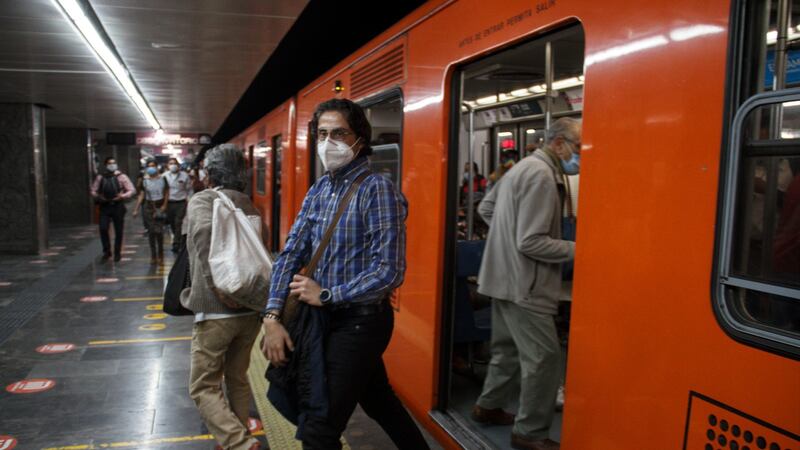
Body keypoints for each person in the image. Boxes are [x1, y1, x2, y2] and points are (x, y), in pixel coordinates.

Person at [262, 98, 430, 450]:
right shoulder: (321, 188)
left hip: (360, 322)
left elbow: (389, 270)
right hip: (323, 321)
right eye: (322, 133)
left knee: (319, 429)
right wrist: (272, 315)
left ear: (359, 138)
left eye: (339, 133)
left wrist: (327, 295)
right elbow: (291, 252)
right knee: (379, 400)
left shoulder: (376, 190)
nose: (329, 142)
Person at [471, 117, 580, 450]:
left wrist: (506, 235)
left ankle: (487, 407)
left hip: (500, 277)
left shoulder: (522, 167)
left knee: (506, 350)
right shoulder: (543, 176)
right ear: (559, 143)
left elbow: (487, 207)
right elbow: (531, 242)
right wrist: (583, 249)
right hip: (525, 284)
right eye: (577, 147)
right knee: (544, 358)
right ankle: (529, 432)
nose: (579, 155)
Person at [179, 144, 263, 450]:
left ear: (210, 172)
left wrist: (220, 290)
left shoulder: (203, 200)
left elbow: (202, 238)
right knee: (237, 377)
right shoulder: (248, 203)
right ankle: (238, 435)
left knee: (202, 386)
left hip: (217, 311)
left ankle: (239, 443)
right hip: (249, 311)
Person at [90, 157, 136, 261]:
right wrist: (98, 196)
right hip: (105, 206)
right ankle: (107, 251)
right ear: (106, 165)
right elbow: (93, 190)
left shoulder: (122, 176)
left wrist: (123, 196)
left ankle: (117, 252)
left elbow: (132, 190)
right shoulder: (100, 177)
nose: (112, 165)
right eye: (110, 163)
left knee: (119, 230)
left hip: (118, 206)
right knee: (103, 228)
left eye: (114, 163)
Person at [133, 160, 169, 264]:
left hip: (159, 206)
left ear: (157, 167)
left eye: (153, 166)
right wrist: (136, 209)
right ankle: (153, 255)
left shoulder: (163, 179)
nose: (151, 168)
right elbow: (141, 195)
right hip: (148, 207)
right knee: (151, 231)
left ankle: (161, 254)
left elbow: (166, 192)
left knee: (159, 231)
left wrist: (165, 205)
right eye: (149, 166)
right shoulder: (144, 181)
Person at [165, 157, 192, 252]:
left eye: (174, 163)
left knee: (178, 222)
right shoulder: (164, 176)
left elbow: (189, 189)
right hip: (168, 203)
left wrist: (190, 201)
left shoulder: (184, 176)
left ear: (178, 165)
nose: (173, 165)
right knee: (172, 223)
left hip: (181, 202)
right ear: (168, 166)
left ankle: (176, 243)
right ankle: (177, 237)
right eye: (171, 163)